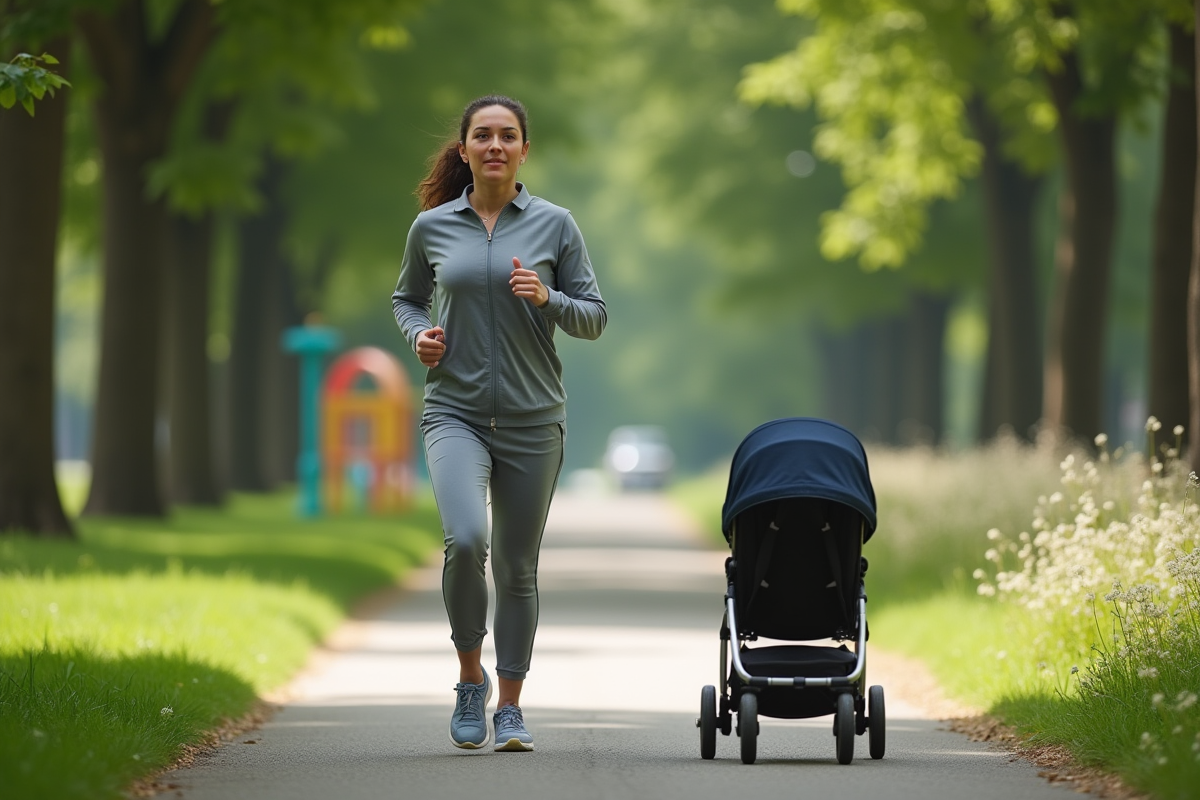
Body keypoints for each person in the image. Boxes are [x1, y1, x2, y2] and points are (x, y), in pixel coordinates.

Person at [391, 95, 606, 752]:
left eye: (506, 136)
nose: (494, 145)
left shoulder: (555, 226)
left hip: (533, 419)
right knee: (464, 538)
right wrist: (419, 335)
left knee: (517, 567)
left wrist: (549, 297)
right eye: (481, 135)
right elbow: (407, 298)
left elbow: (594, 316)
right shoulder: (432, 227)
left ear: (523, 150)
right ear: (464, 150)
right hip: (453, 411)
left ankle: (510, 707)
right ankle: (469, 679)